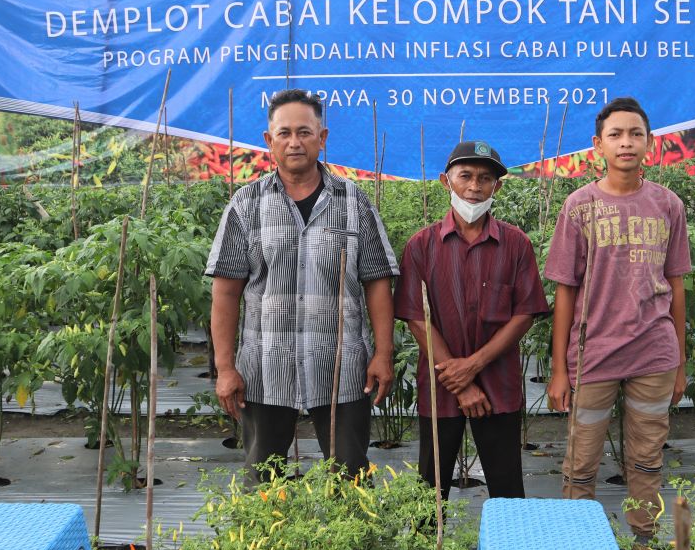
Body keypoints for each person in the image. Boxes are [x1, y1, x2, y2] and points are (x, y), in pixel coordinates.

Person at [207, 89, 399, 484]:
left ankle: (349, 546)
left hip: (342, 370)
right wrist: (225, 367)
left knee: (350, 482)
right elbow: (225, 292)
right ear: (269, 140)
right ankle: (264, 545)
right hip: (264, 369)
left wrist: (383, 354)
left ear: (322, 137)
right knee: (263, 484)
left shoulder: (354, 201)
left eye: (305, 132)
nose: (294, 142)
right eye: (284, 133)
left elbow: (377, 283)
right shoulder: (246, 204)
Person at [544, 97, 691, 550]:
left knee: (646, 458)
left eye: (635, 133)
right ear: (598, 145)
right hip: (593, 355)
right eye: (616, 134)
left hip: (654, 352)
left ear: (650, 143)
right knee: (580, 460)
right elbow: (565, 289)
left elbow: (677, 284)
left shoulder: (668, 205)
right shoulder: (580, 206)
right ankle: (576, 546)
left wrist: (681, 360)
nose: (626, 142)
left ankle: (643, 549)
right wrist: (560, 367)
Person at [394, 140, 549, 500]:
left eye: (485, 179)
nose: (474, 187)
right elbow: (417, 319)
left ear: (498, 186)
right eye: (465, 176)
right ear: (445, 181)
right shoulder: (421, 246)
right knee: (430, 489)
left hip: (499, 385)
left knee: (507, 486)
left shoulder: (516, 244)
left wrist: (473, 366)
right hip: (441, 385)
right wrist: (461, 382)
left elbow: (525, 313)